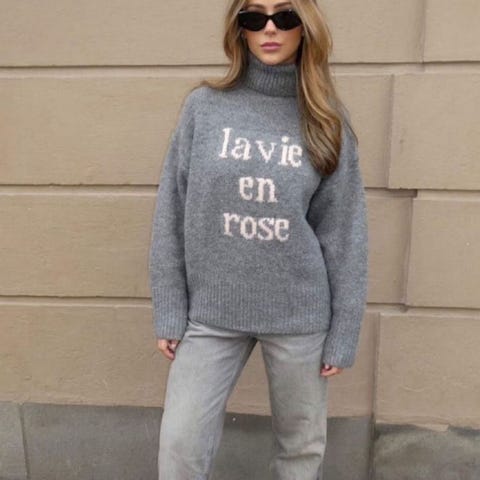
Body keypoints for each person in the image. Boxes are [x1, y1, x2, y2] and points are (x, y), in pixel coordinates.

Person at [148, 0, 368, 478]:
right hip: (212, 310)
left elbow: (345, 234)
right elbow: (172, 209)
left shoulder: (327, 119)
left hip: (298, 315)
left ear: (305, 28)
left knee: (300, 447)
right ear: (240, 30)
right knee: (181, 442)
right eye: (254, 17)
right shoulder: (204, 108)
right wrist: (170, 306)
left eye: (285, 17)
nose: (270, 29)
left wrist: (344, 332)